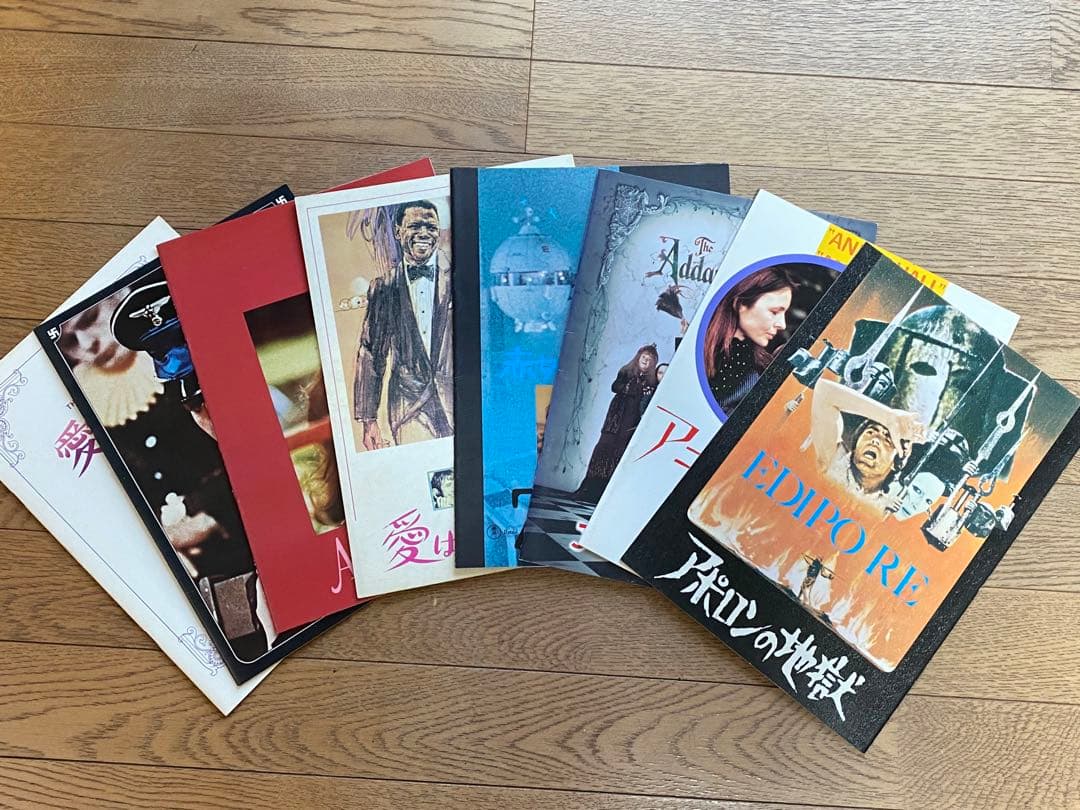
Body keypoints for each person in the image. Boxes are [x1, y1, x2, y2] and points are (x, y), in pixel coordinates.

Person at [353, 200, 453, 450]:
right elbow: (371, 352)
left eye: (431, 227)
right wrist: (368, 419)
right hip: (409, 406)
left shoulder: (459, 276)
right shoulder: (384, 287)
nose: (424, 233)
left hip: (459, 399)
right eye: (415, 226)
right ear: (398, 232)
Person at [808, 378, 927, 504]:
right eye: (870, 432)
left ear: (896, 463)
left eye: (887, 440)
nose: (875, 440)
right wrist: (888, 417)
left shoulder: (888, 506)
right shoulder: (833, 459)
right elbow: (823, 391)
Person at [702, 265, 798, 413]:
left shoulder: (759, 368)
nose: (782, 324)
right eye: (774, 312)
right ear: (740, 304)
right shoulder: (693, 347)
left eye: (784, 314)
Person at [575, 344, 660, 501]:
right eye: (644, 357)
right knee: (603, 450)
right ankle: (589, 488)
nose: (646, 361)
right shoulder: (626, 371)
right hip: (615, 419)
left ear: (653, 363)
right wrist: (630, 387)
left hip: (631, 422)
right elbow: (615, 386)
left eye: (650, 359)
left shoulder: (652, 382)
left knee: (619, 454)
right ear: (638, 357)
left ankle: (604, 493)